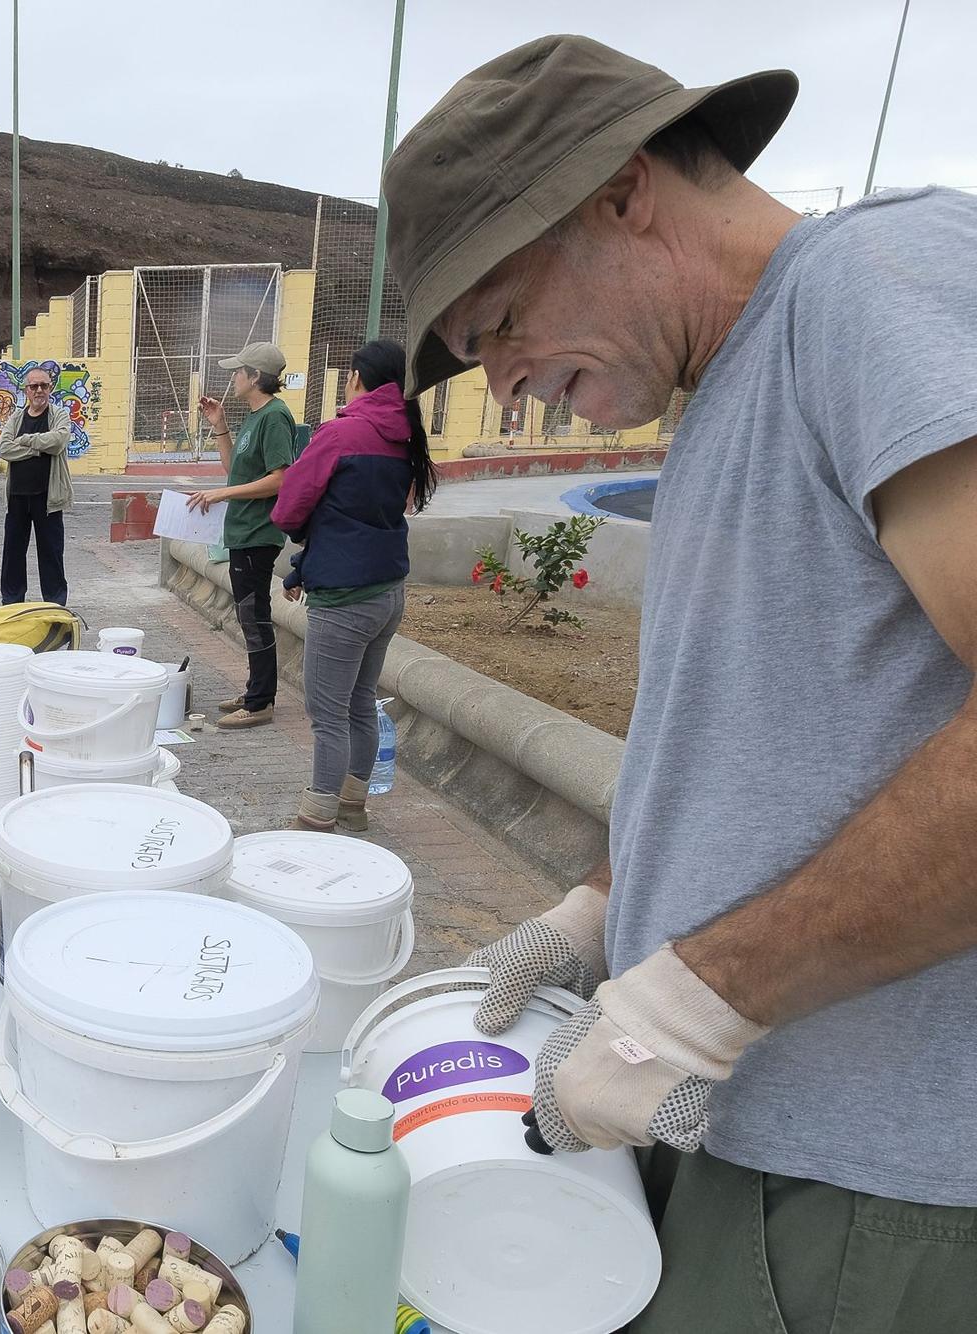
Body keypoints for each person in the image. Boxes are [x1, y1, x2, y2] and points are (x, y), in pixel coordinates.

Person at [388, 36, 977, 1328]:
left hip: (872, 1201)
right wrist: (607, 903)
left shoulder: (872, 284)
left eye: (497, 325)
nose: (508, 386)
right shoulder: (725, 393)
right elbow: (792, 734)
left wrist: (711, 995)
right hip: (751, 1147)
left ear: (620, 191)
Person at [270, 338, 437, 833]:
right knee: (361, 701)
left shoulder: (341, 434)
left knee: (327, 711)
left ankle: (316, 815)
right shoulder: (404, 436)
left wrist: (302, 545)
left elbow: (289, 508)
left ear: (358, 379)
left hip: (346, 600)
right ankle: (352, 804)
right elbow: (354, 519)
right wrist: (306, 565)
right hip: (387, 592)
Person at [190, 342, 300, 730]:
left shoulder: (275, 417)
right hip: (242, 533)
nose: (232, 377)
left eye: (238, 371)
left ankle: (260, 702)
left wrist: (221, 494)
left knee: (254, 617)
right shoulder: (255, 416)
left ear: (256, 377)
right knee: (248, 614)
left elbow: (279, 479)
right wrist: (219, 424)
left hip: (258, 534)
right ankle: (256, 688)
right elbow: (234, 468)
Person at [0, 365, 73, 605]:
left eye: (44, 385)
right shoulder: (16, 417)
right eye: (34, 386)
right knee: (13, 555)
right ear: (26, 390)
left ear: (50, 388)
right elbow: (4, 448)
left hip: (48, 498)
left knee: (51, 554)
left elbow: (58, 441)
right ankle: (11, 603)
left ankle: (55, 603)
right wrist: (40, 449)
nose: (39, 390)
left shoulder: (59, 415)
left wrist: (27, 441)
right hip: (18, 497)